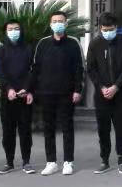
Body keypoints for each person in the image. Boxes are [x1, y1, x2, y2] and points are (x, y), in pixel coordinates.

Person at [26, 11, 84, 176]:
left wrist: (78, 90)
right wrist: (30, 89)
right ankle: (51, 162)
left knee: (67, 127)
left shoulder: (73, 43)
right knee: (48, 128)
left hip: (67, 93)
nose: (58, 23)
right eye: (55, 21)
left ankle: (68, 161)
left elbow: (79, 68)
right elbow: (35, 69)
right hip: (46, 93)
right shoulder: (43, 43)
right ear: (50, 24)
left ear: (66, 23)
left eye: (61, 21)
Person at [86, 12, 122, 175]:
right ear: (100, 28)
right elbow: (91, 68)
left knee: (120, 129)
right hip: (101, 95)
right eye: (105, 29)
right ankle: (104, 161)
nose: (108, 32)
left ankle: (121, 160)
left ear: (116, 27)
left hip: (118, 94)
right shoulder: (95, 44)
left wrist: (116, 86)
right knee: (103, 129)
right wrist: (101, 87)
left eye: (111, 29)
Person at [0, 19, 35, 175]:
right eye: (10, 29)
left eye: (16, 28)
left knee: (25, 130)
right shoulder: (1, 50)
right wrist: (9, 89)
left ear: (21, 30)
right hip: (8, 97)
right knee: (8, 131)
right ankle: (9, 162)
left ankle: (26, 162)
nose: (14, 32)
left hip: (25, 96)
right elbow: (0, 72)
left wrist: (28, 89)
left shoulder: (28, 49)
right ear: (5, 32)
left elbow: (33, 71)